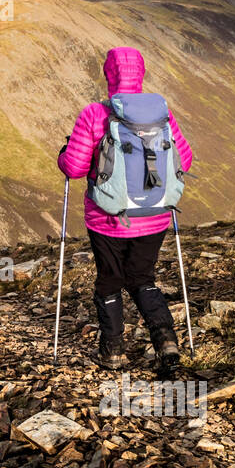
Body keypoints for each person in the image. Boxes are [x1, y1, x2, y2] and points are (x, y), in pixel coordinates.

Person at [57, 47, 193, 372]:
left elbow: (74, 168)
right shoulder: (161, 113)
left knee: (109, 281)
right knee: (143, 278)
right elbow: (183, 160)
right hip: (156, 215)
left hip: (107, 220)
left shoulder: (94, 114)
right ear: (141, 74)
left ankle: (113, 351)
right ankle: (166, 341)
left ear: (109, 75)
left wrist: (63, 155)